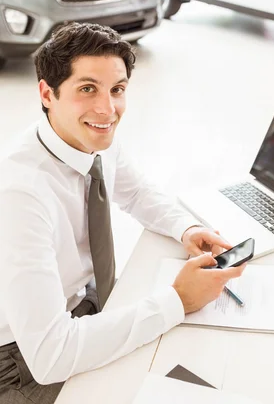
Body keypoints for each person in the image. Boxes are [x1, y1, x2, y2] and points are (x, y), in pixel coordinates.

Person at [0, 22, 246, 403]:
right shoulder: (21, 194)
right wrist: (178, 300)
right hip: (19, 358)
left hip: (80, 306)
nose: (107, 109)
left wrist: (186, 227)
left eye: (117, 90)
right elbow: (50, 356)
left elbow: (135, 191)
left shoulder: (86, 135)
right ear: (48, 93)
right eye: (87, 89)